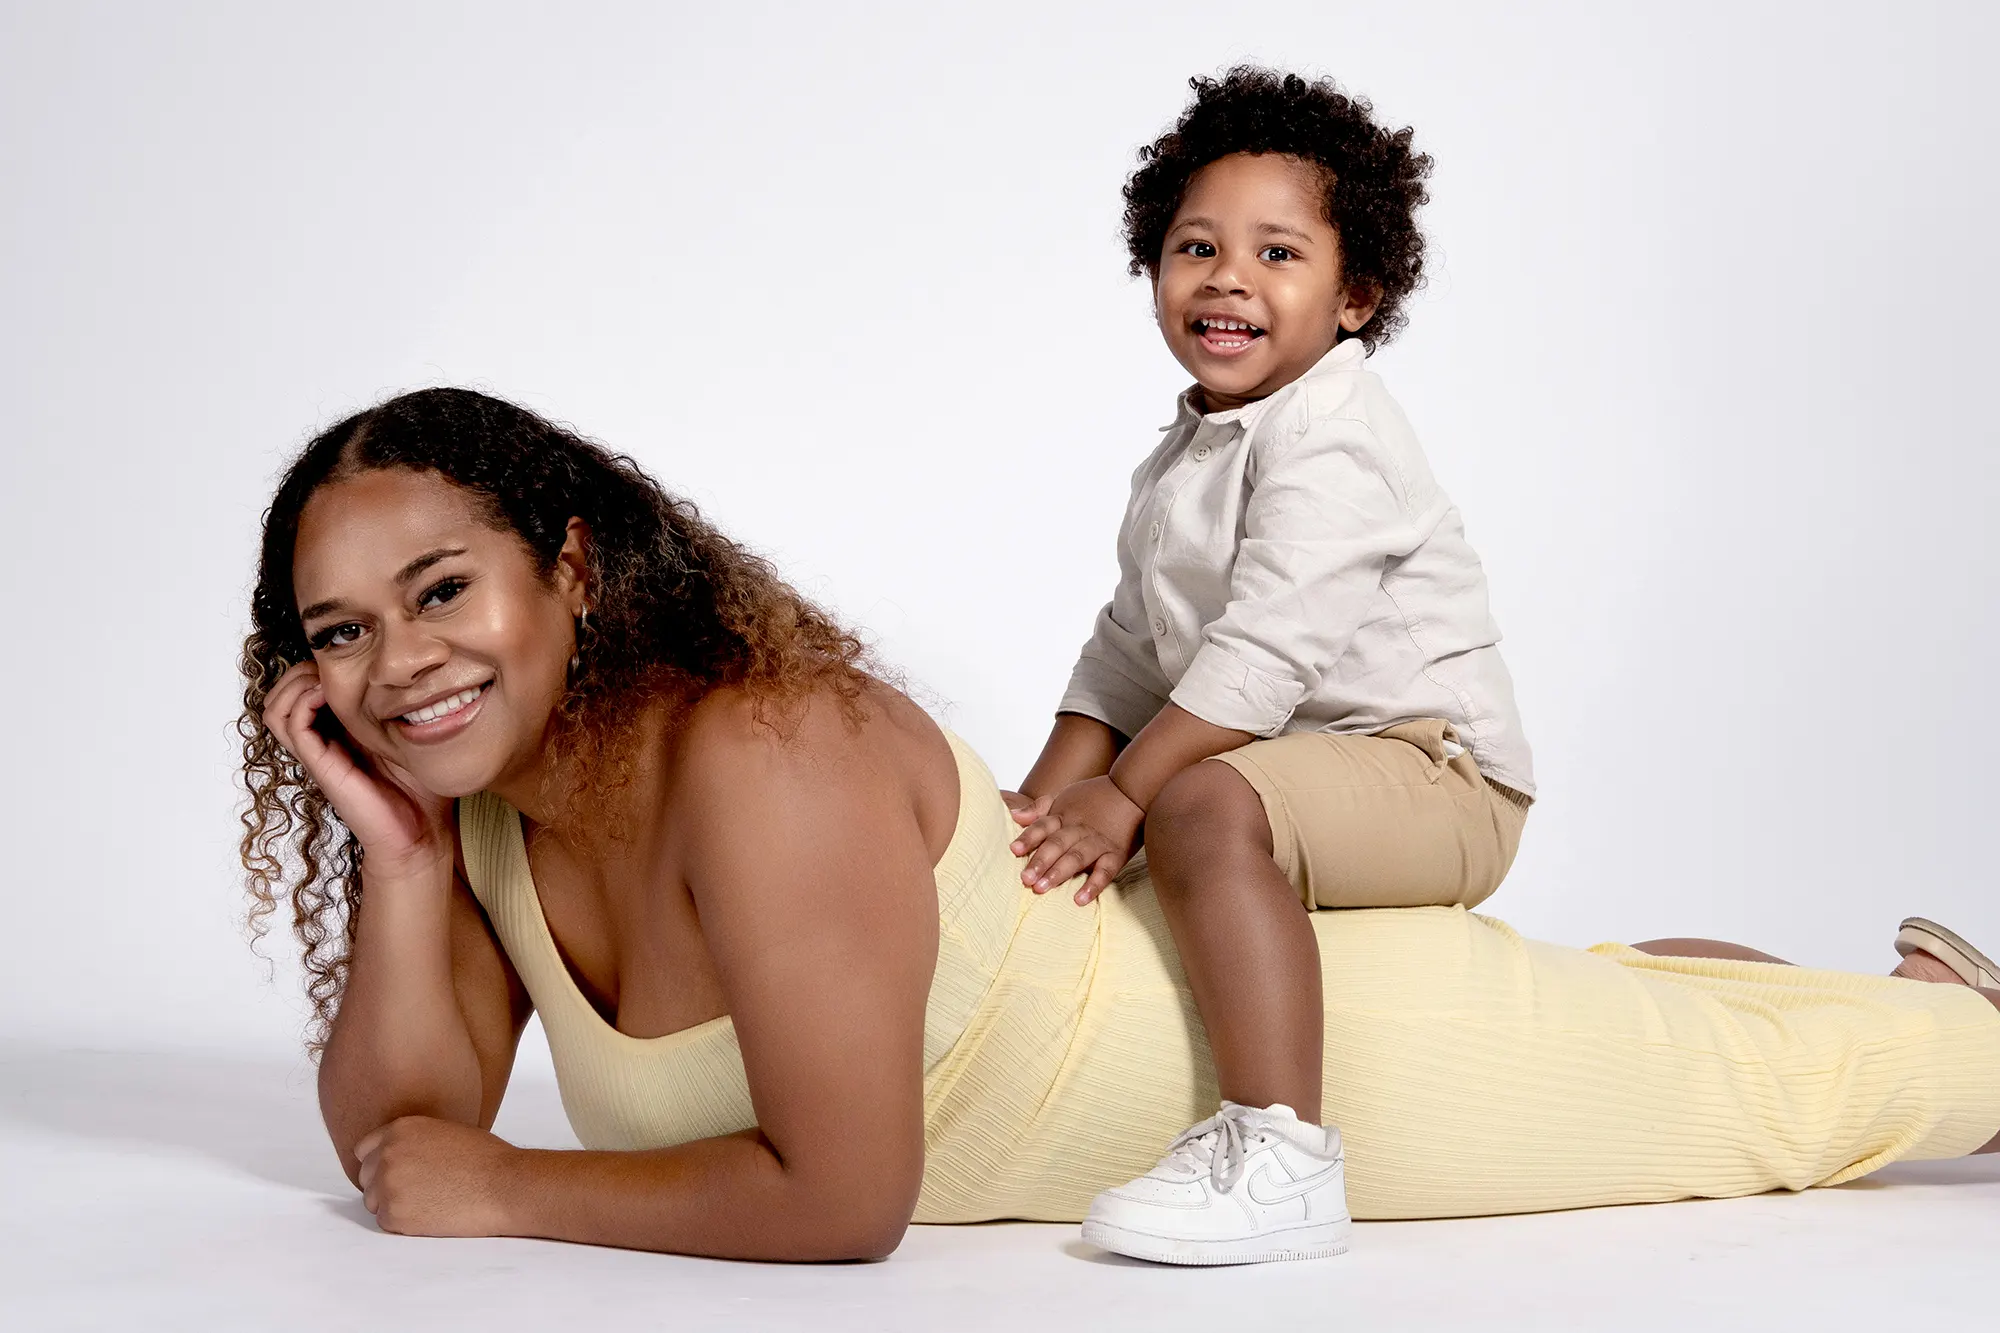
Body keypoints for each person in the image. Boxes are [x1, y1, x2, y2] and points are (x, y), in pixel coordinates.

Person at [240, 387, 2000, 1265]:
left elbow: (847, 1199)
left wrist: (523, 1191)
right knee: (1632, 1000)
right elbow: (402, 1132)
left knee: (1767, 1100)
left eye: (439, 588)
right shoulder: (487, 813)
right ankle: (1913, 985)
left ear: (567, 564)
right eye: (341, 632)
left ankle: (1958, 1027)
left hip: (1331, 1063)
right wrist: (396, 854)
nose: (401, 664)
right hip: (1243, 1009)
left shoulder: (756, 750)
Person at [1007, 68, 1531, 1260]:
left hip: (1440, 776)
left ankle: (1282, 1155)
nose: (1226, 276)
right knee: (1155, 815)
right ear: (1152, 269)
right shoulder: (1188, 450)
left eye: (1276, 254)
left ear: (1354, 297)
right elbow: (1128, 650)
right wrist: (1042, 809)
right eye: (1194, 245)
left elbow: (1260, 656)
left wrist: (1127, 794)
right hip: (1308, 762)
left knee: (1188, 803)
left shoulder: (1333, 435)